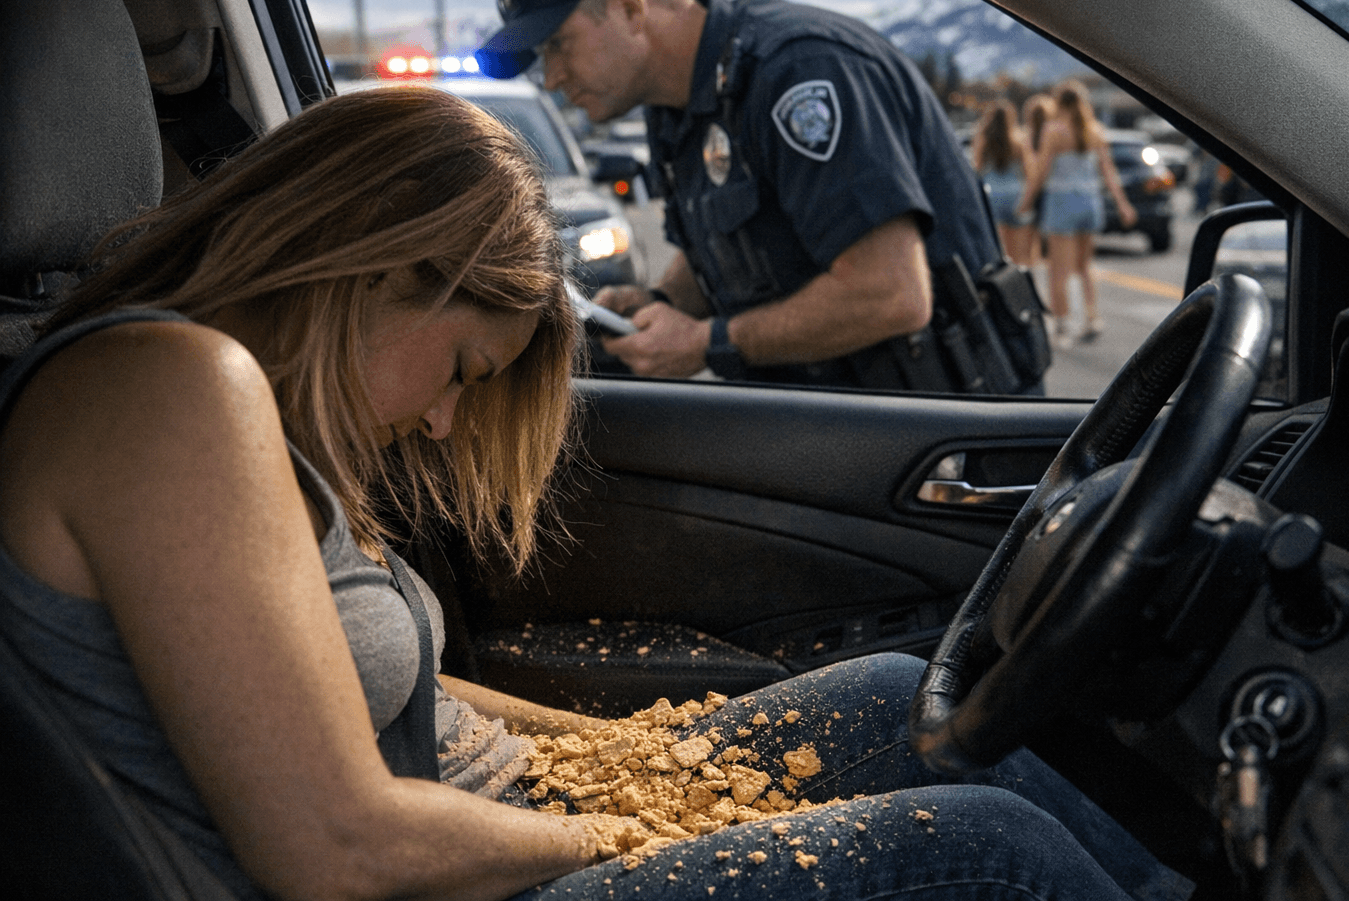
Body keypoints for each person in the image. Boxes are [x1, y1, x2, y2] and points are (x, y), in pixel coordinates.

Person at [0, 84, 1191, 899]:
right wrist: (646, 824)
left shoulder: (239, 404)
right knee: (991, 851)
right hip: (437, 873)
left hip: (495, 810)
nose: (445, 421)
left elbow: (337, 678)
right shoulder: (168, 388)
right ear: (369, 265)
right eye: (466, 368)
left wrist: (615, 745)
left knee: (893, 697)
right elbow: (336, 845)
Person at [478, 0, 1046, 395]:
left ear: (630, 7)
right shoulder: (677, 101)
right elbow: (731, 249)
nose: (550, 77)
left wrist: (707, 343)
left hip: (937, 433)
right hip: (837, 420)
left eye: (557, 45)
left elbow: (891, 294)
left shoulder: (796, 72)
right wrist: (660, 302)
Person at [1020, 79, 1136, 347]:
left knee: (1057, 271)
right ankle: (1092, 318)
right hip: (1090, 202)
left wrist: (1026, 202)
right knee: (1084, 267)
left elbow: (1040, 172)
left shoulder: (1054, 131)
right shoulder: (1094, 131)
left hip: (1062, 203)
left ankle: (1061, 325)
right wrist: (1123, 204)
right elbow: (1108, 172)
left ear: (1059, 103)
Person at [971, 100, 1036, 268]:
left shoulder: (983, 139)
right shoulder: (1019, 140)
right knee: (1019, 257)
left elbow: (976, 169)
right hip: (1016, 197)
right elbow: (1029, 173)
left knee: (997, 255)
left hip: (991, 197)